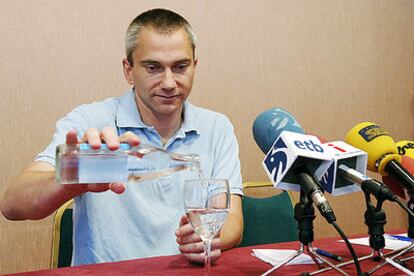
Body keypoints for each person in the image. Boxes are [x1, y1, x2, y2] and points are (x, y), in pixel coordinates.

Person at [0, 8, 243, 265]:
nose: (170, 82)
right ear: (129, 70)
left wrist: (211, 237)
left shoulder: (217, 127)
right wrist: (73, 177)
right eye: (153, 68)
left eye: (180, 67)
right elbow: (12, 204)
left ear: (194, 66)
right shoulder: (90, 121)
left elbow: (233, 221)